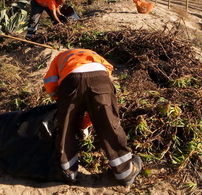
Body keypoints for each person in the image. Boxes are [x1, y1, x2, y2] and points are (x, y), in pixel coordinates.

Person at [44, 48, 142, 186]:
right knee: (108, 124)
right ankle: (124, 172)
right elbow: (107, 70)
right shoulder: (93, 54)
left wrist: (60, 101)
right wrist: (86, 124)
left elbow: (49, 83)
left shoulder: (59, 57)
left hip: (71, 82)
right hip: (100, 80)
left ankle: (68, 172)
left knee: (66, 128)